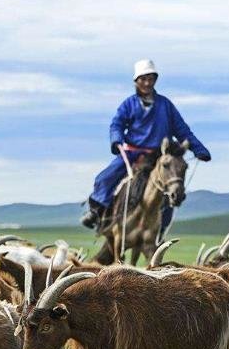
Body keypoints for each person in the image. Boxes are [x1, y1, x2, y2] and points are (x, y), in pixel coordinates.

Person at [80, 59, 211, 230]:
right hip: (133, 154)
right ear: (136, 81)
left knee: (171, 187)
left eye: (151, 78)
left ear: (155, 80)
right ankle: (97, 213)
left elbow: (182, 130)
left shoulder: (166, 105)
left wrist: (199, 149)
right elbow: (117, 124)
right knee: (104, 178)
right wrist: (116, 139)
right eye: (143, 79)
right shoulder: (128, 104)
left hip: (159, 156)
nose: (147, 83)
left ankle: (160, 227)